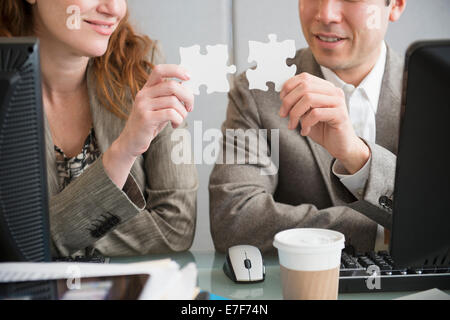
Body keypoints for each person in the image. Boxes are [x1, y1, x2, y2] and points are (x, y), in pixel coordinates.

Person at [0, 0, 198, 257]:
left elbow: (175, 228)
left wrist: (54, 234)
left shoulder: (142, 69)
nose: (115, 8)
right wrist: (121, 154)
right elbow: (9, 246)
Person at [209, 0, 407, 253]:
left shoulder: (436, 91)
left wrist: (358, 157)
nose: (326, 14)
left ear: (396, 5)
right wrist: (384, 228)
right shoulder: (258, 89)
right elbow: (233, 221)